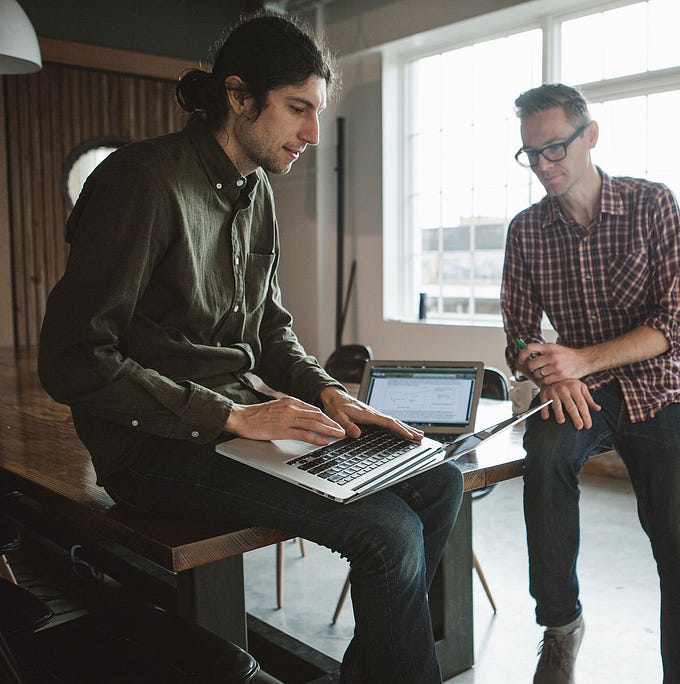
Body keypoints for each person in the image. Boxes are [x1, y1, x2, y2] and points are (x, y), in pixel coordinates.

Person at [37, 13, 462, 684]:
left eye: (316, 113)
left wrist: (332, 393)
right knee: (388, 532)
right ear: (238, 97)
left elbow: (270, 331)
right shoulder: (141, 181)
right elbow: (71, 357)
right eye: (298, 109)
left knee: (439, 481)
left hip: (236, 428)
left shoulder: (256, 189)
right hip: (150, 448)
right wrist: (231, 417)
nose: (312, 135)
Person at [500, 83, 680, 683]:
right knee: (543, 457)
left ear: (590, 136)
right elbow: (517, 336)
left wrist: (579, 361)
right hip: (576, 390)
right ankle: (561, 626)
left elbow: (673, 326)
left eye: (556, 149)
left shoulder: (653, 205)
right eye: (531, 154)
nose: (544, 165)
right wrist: (546, 372)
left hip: (657, 388)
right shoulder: (526, 231)